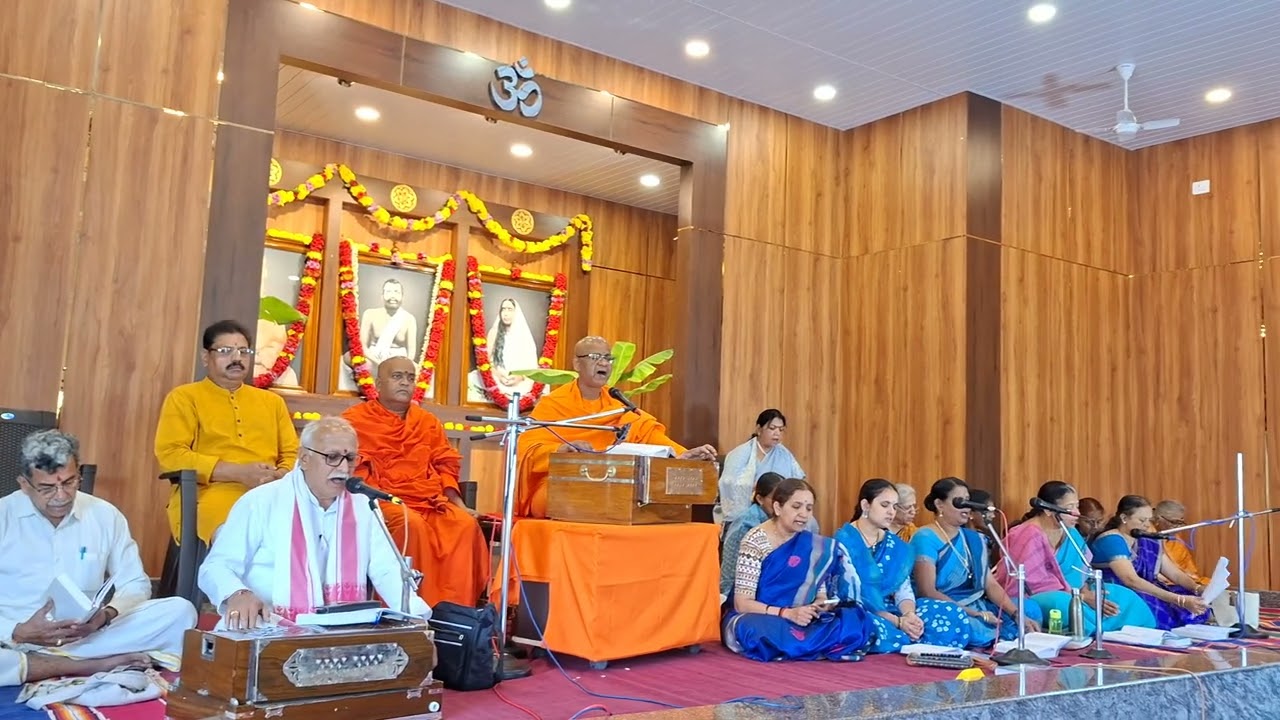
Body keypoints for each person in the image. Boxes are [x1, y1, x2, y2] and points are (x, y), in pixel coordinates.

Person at [0, 431, 196, 682]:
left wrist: (105, 616)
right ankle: (89, 665)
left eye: (69, 482)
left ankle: (51, 664)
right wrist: (18, 631)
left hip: (88, 636)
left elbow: (135, 582)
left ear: (78, 474)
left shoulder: (104, 515)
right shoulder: (4, 516)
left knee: (181, 611)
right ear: (24, 485)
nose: (61, 496)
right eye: (47, 488)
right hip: (15, 641)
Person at [198, 417, 430, 628]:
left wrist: (418, 618)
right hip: (268, 627)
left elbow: (386, 570)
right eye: (332, 457)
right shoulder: (262, 501)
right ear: (305, 459)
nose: (343, 468)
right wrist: (237, 593)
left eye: (350, 458)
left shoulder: (362, 505)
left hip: (342, 632)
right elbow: (215, 568)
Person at [514, 336, 717, 518]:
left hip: (613, 486)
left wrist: (681, 455)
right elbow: (528, 448)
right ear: (577, 363)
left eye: (608, 358)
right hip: (563, 481)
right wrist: (560, 450)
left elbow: (648, 435)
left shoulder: (618, 407)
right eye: (595, 357)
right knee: (573, 497)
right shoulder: (554, 404)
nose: (604, 363)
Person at [343, 357, 488, 607]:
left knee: (463, 526)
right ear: (378, 383)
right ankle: (409, 610)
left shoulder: (427, 422)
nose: (405, 383)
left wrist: (459, 504)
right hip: (380, 501)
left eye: (411, 378)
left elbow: (445, 466)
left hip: (428, 502)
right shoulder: (354, 421)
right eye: (397, 376)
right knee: (412, 526)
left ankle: (456, 612)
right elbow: (352, 474)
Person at [155, 319, 299, 545]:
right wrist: (238, 473)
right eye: (225, 351)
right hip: (210, 495)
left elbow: (292, 453)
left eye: (243, 351)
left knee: (308, 536)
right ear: (206, 357)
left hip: (273, 493)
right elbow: (171, 456)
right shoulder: (184, 398)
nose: (236, 358)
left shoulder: (273, 403)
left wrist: (280, 476)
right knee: (237, 540)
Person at [724, 478, 875, 662]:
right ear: (778, 508)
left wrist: (819, 605)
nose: (804, 514)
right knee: (754, 630)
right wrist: (787, 613)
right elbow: (742, 604)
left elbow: (819, 592)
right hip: (764, 615)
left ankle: (799, 648)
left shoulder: (813, 545)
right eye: (796, 507)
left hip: (802, 616)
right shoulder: (755, 541)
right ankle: (813, 647)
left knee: (856, 619)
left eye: (809, 508)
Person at [998, 481, 1156, 633]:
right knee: (1063, 603)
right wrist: (1079, 596)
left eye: (1077, 506)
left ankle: (1131, 634)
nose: (1077, 514)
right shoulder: (1027, 534)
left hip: (1073, 591)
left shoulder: (1071, 532)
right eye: (1070, 507)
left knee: (1121, 595)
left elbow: (1082, 573)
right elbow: (1029, 584)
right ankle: (1094, 633)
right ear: (1048, 510)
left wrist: (1085, 592)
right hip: (1036, 596)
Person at [834, 479, 970, 653]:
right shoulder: (845, 541)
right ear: (865, 505)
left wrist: (909, 615)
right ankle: (905, 636)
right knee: (860, 624)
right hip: (864, 609)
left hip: (895, 610)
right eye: (885, 505)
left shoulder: (895, 545)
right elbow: (854, 596)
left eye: (894, 506)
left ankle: (908, 635)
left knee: (951, 613)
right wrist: (898, 621)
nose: (891, 512)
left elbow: (903, 589)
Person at [911, 477, 1041, 647]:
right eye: (959, 501)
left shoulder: (974, 539)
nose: (966, 506)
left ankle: (994, 637)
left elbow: (990, 585)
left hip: (977, 604)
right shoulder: (925, 537)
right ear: (939, 504)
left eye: (968, 501)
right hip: (946, 607)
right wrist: (974, 614)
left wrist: (1016, 614)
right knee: (960, 622)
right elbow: (927, 591)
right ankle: (995, 637)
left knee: (1029, 609)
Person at [1090, 495, 1210, 630]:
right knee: (1160, 612)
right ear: (1124, 518)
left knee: (1193, 600)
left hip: (1144, 589)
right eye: (1142, 520)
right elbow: (1131, 580)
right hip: (1121, 593)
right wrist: (1179, 600)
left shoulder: (1145, 539)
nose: (1147, 525)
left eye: (1149, 520)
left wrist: (1197, 588)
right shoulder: (1112, 540)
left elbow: (1174, 574)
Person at [716, 410, 806, 528]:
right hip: (750, 508)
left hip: (779, 508)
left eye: (781, 430)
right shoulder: (740, 453)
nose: (777, 433)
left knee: (810, 523)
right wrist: (756, 488)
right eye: (772, 428)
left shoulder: (784, 454)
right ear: (759, 429)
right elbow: (728, 483)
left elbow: (797, 480)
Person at [719, 472, 785, 603]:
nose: (780, 505)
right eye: (774, 499)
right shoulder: (746, 526)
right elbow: (729, 575)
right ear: (760, 499)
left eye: (783, 500)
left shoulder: (784, 521)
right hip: (741, 594)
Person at [470, 297, 540, 402]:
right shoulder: (494, 333)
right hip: (497, 377)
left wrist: (519, 377)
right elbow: (485, 362)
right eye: (503, 309)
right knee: (472, 378)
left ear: (516, 312)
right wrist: (499, 375)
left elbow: (531, 365)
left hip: (520, 380)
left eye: (509, 309)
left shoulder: (524, 336)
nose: (506, 313)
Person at [361, 278, 418, 375]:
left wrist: (400, 365)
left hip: (399, 360)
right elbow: (362, 346)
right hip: (374, 358)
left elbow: (411, 353)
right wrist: (379, 363)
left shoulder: (409, 319)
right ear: (382, 296)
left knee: (420, 370)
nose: (392, 296)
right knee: (351, 358)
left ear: (402, 296)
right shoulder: (369, 314)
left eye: (396, 292)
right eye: (388, 291)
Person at [1152, 500, 1210, 586]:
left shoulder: (1176, 540)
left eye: (1181, 522)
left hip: (1180, 581)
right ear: (1158, 519)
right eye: (1174, 522)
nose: (1178, 527)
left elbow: (1190, 571)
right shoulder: (1147, 536)